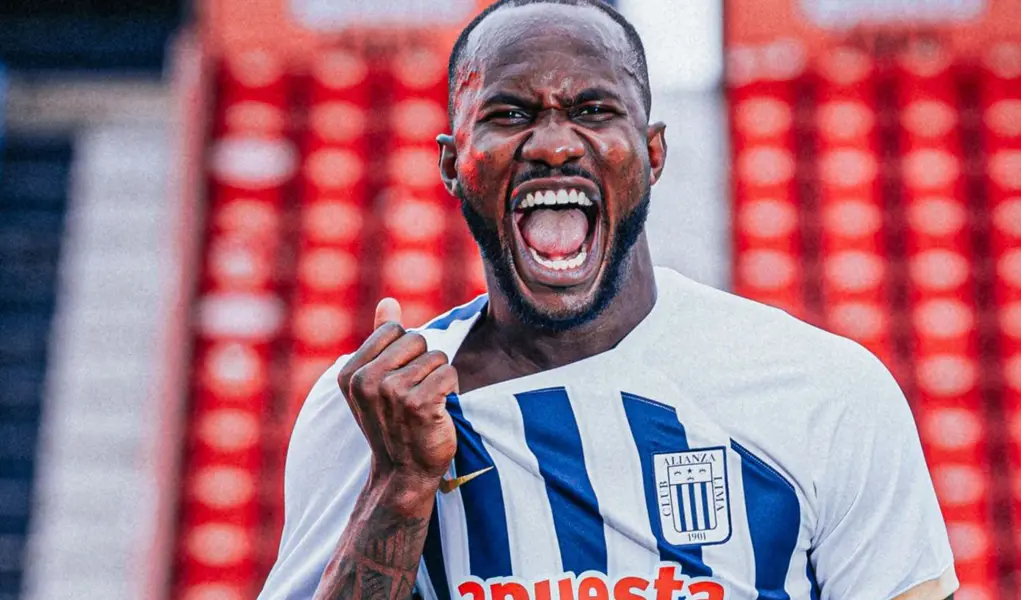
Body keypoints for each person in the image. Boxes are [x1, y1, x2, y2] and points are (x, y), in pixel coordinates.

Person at [259, 0, 958, 598]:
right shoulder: (376, 407)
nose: (556, 144)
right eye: (509, 113)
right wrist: (402, 484)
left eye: (594, 109)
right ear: (452, 163)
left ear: (652, 153)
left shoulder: (824, 389)